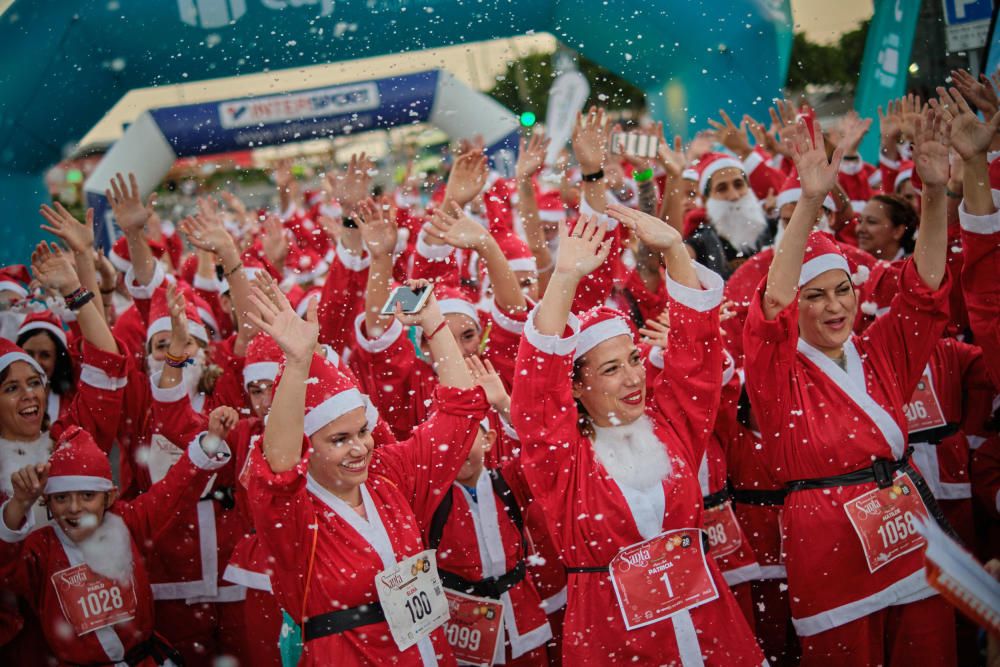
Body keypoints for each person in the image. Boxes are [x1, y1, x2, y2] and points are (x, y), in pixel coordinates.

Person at [743, 111, 957, 665]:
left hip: (906, 527)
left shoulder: (880, 350)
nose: (835, 306)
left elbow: (925, 288)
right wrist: (811, 204)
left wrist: (934, 193)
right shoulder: (778, 372)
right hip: (829, 546)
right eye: (815, 297)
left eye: (843, 291)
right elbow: (771, 307)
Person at [510, 208, 764, 664]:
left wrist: (674, 251)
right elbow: (536, 395)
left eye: (633, 359)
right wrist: (564, 276)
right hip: (615, 639)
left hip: (709, 628)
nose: (633, 378)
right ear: (575, 386)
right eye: (611, 369)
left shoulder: (669, 427)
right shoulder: (563, 461)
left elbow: (698, 357)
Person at [245, 275, 489, 665]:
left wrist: (434, 323)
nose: (359, 448)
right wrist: (297, 364)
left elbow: (458, 417)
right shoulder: (294, 514)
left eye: (362, 431)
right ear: (308, 445)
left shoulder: (386, 476)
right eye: (339, 440)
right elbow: (277, 470)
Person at [0, 420, 232, 665]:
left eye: (88, 495)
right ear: (47, 501)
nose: (74, 508)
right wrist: (19, 504)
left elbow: (173, 493)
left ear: (109, 496)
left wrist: (210, 443)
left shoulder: (127, 522)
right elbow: (5, 564)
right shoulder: (41, 548)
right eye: (61, 498)